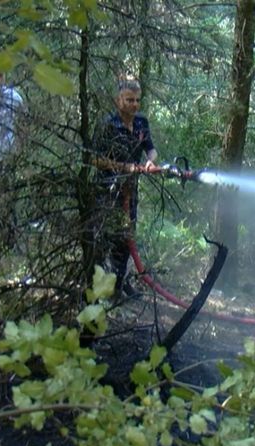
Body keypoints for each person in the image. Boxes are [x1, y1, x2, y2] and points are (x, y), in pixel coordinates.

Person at [92, 78, 159, 296]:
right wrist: (125, 167)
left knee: (126, 237)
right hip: (107, 190)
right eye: (129, 100)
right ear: (118, 100)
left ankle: (119, 284)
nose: (134, 104)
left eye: (137, 100)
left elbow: (151, 149)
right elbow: (95, 159)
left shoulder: (141, 123)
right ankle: (97, 287)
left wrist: (150, 161)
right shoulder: (107, 125)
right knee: (104, 238)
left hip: (130, 190)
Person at [0, 69, 24, 249]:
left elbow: (23, 124)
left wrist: (18, 150)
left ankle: (10, 243)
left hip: (5, 159)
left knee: (6, 201)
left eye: (1, 75)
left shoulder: (14, 98)